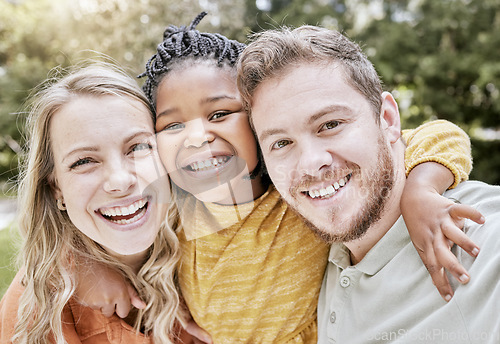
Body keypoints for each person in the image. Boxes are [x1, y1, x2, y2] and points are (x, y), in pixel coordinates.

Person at [237, 25, 500, 343]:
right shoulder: (317, 255)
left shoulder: (484, 240)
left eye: (330, 124)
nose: (310, 162)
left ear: (388, 119)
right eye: (281, 143)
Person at [0, 63, 184, 344]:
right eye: (84, 161)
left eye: (137, 147)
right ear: (56, 187)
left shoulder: (215, 246)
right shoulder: (38, 306)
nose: (120, 181)